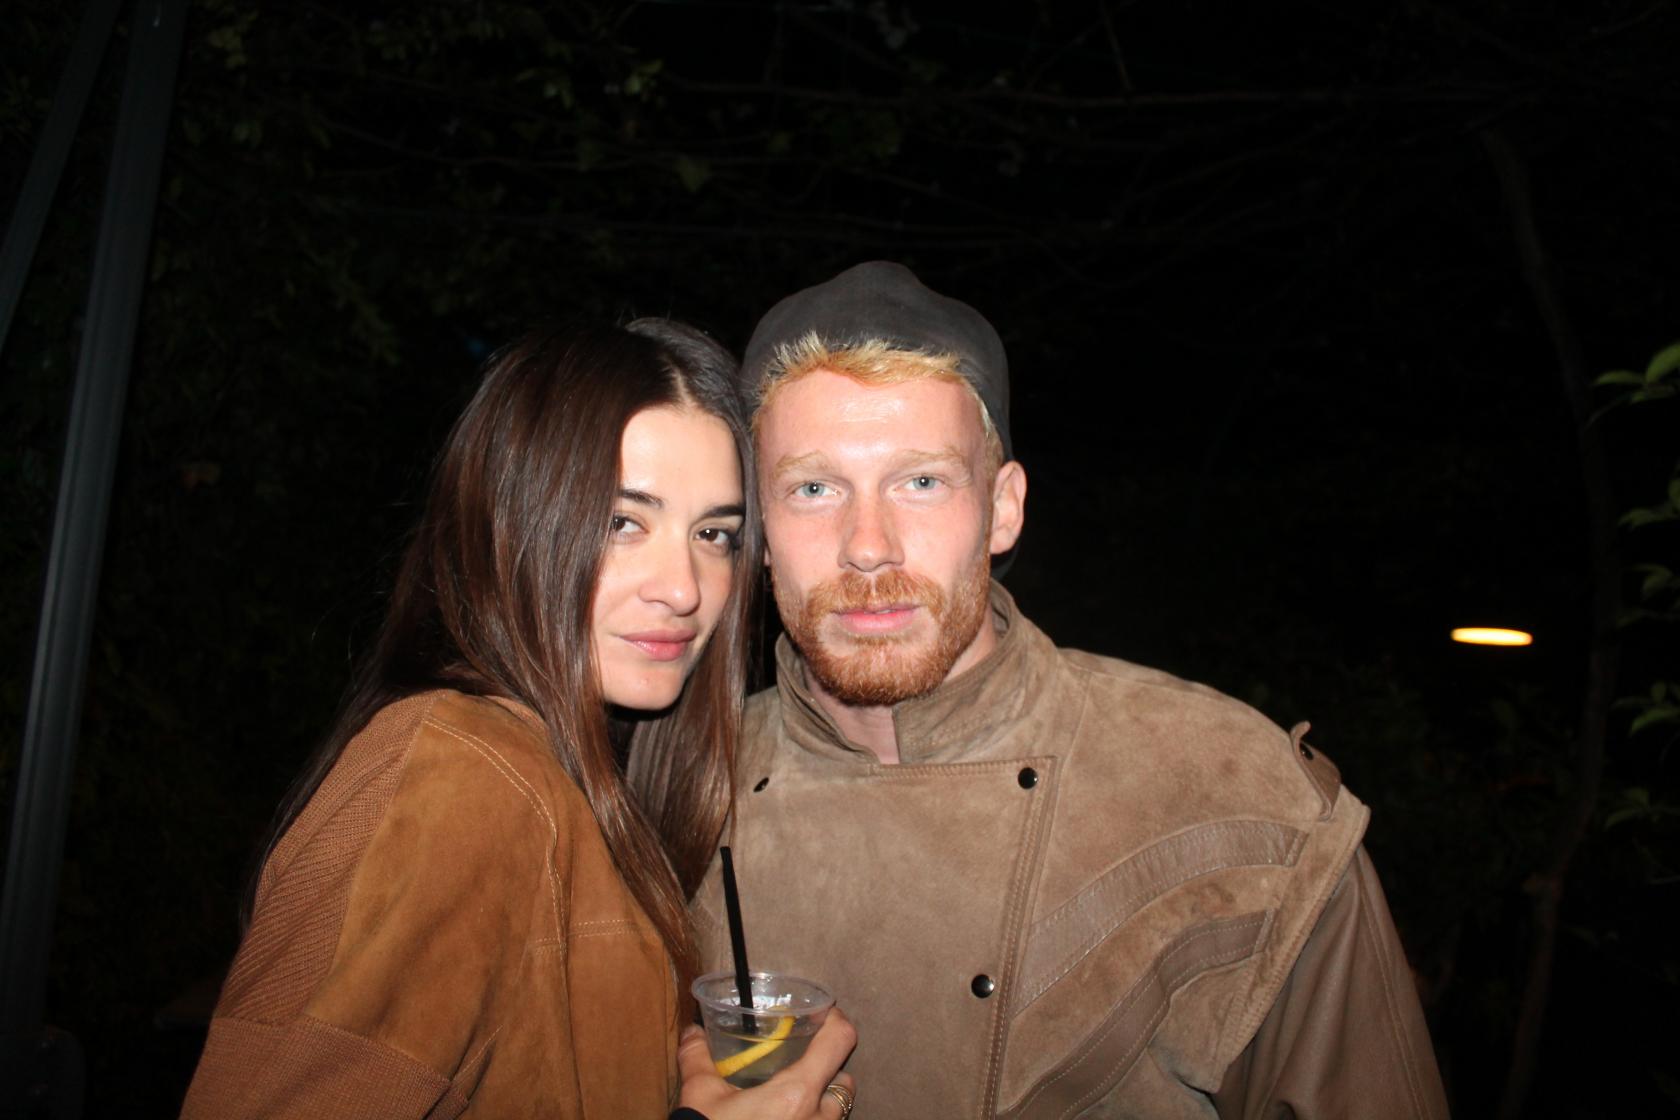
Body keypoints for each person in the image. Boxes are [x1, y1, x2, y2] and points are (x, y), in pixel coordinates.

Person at [692, 263, 1450, 1118]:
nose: (868, 545)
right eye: (813, 488)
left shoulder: (1244, 798)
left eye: (922, 482)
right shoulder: (676, 797)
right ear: (759, 529)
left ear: (1003, 508)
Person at [181, 320, 857, 1119]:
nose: (684, 587)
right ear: (512, 524)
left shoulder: (563, 781)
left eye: (714, 534)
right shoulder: (457, 779)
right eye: (622, 522)